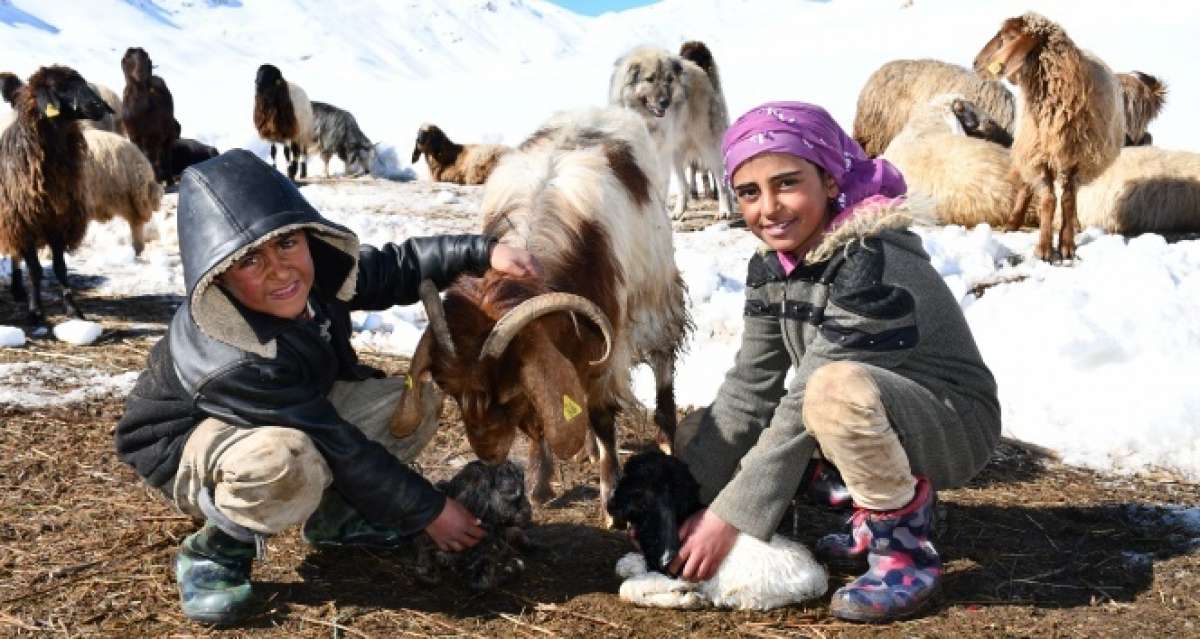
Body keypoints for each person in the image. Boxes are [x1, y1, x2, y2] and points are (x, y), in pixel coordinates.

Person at [114, 150, 542, 626]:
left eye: (287, 244)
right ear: (218, 274)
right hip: (189, 444)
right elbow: (335, 444)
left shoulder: (314, 276)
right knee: (284, 461)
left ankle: (338, 517)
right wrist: (429, 510)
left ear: (306, 237)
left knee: (412, 401)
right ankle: (217, 551)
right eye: (250, 259)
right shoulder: (232, 356)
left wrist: (482, 252)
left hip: (295, 412)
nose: (279, 269)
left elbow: (398, 266)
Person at [671, 102, 1000, 622]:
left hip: (950, 421)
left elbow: (803, 399)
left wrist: (727, 518)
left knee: (831, 391)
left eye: (787, 183)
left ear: (829, 181)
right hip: (865, 411)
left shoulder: (871, 260)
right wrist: (678, 500)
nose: (769, 208)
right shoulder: (773, 267)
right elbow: (749, 389)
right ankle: (870, 504)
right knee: (702, 432)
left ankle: (903, 551)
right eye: (750, 192)